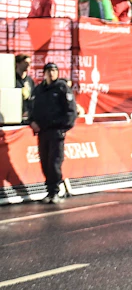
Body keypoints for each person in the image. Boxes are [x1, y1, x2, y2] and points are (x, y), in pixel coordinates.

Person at [28, 62, 77, 203]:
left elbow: (71, 110)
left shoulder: (62, 88)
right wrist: (32, 122)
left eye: (54, 70)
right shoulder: (38, 90)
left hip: (56, 131)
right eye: (49, 70)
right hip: (42, 132)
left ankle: (55, 190)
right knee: (44, 162)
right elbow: (32, 108)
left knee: (54, 162)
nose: (51, 73)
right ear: (44, 73)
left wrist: (64, 128)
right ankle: (49, 191)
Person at [14, 54, 34, 124]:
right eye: (25, 62)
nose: (28, 65)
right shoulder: (12, 79)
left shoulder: (30, 80)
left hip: (28, 116)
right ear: (18, 64)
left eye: (30, 63)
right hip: (14, 115)